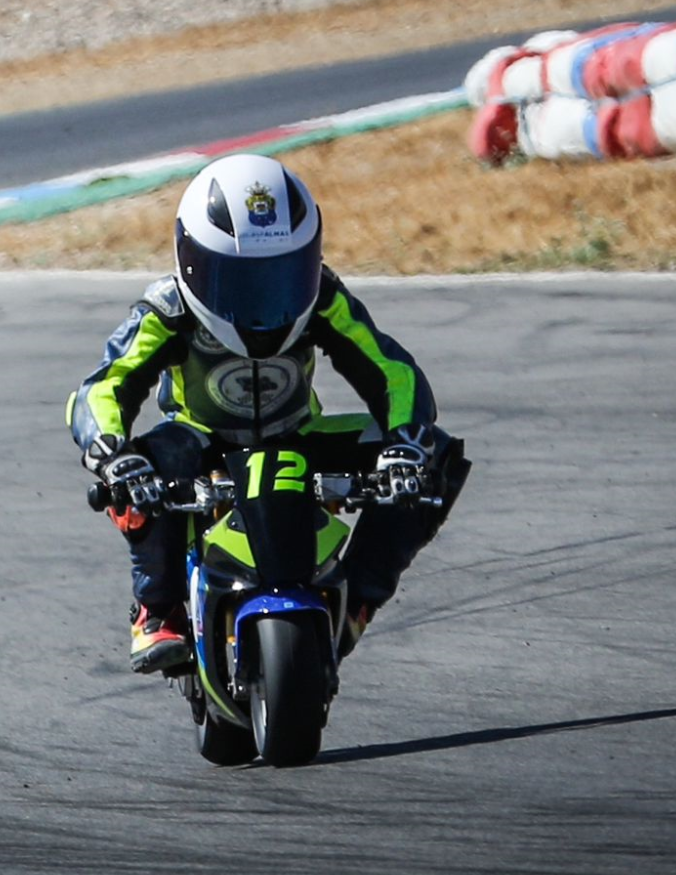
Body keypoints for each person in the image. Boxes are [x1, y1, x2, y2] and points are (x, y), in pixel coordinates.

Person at [65, 153, 467, 674]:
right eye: (235, 281)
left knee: (433, 453)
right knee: (148, 460)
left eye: (280, 277)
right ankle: (155, 608)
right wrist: (110, 451)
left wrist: (404, 443)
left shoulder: (323, 298)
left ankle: (360, 597)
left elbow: (393, 370)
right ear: (191, 260)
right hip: (202, 440)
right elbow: (103, 386)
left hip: (299, 433)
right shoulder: (167, 309)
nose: (261, 303)